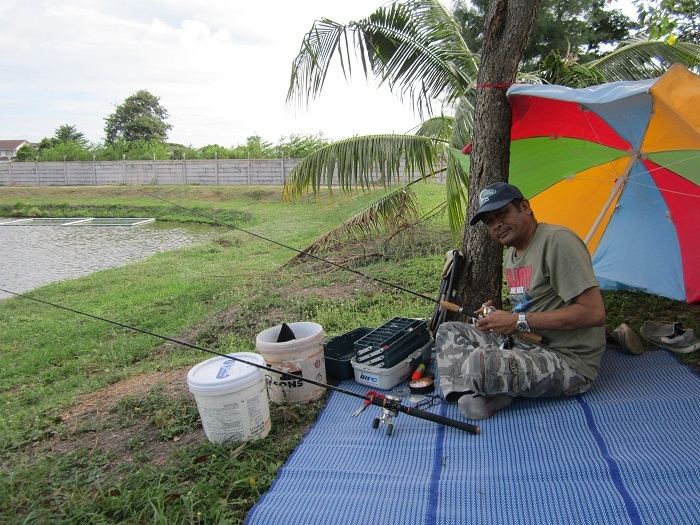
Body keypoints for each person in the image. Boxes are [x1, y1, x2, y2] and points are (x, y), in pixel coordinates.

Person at [436, 182, 608, 420]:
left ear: (525, 207)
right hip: (525, 343)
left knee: (479, 364)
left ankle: (491, 388)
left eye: (502, 213)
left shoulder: (557, 242)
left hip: (567, 359)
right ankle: (477, 392)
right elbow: (529, 307)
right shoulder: (511, 255)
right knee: (448, 331)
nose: (497, 224)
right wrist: (496, 315)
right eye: (489, 221)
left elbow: (593, 313)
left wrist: (517, 321)